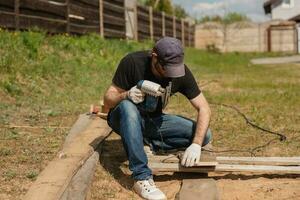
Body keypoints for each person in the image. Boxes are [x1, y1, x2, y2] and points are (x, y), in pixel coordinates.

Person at [103, 37, 212, 200]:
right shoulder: (132, 62)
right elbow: (107, 100)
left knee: (205, 135)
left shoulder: (180, 72)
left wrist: (196, 144)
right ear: (154, 56)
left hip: (153, 121)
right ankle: (141, 177)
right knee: (127, 107)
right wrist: (126, 95)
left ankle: (146, 142)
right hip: (123, 118)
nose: (170, 74)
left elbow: (204, 108)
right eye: (166, 68)